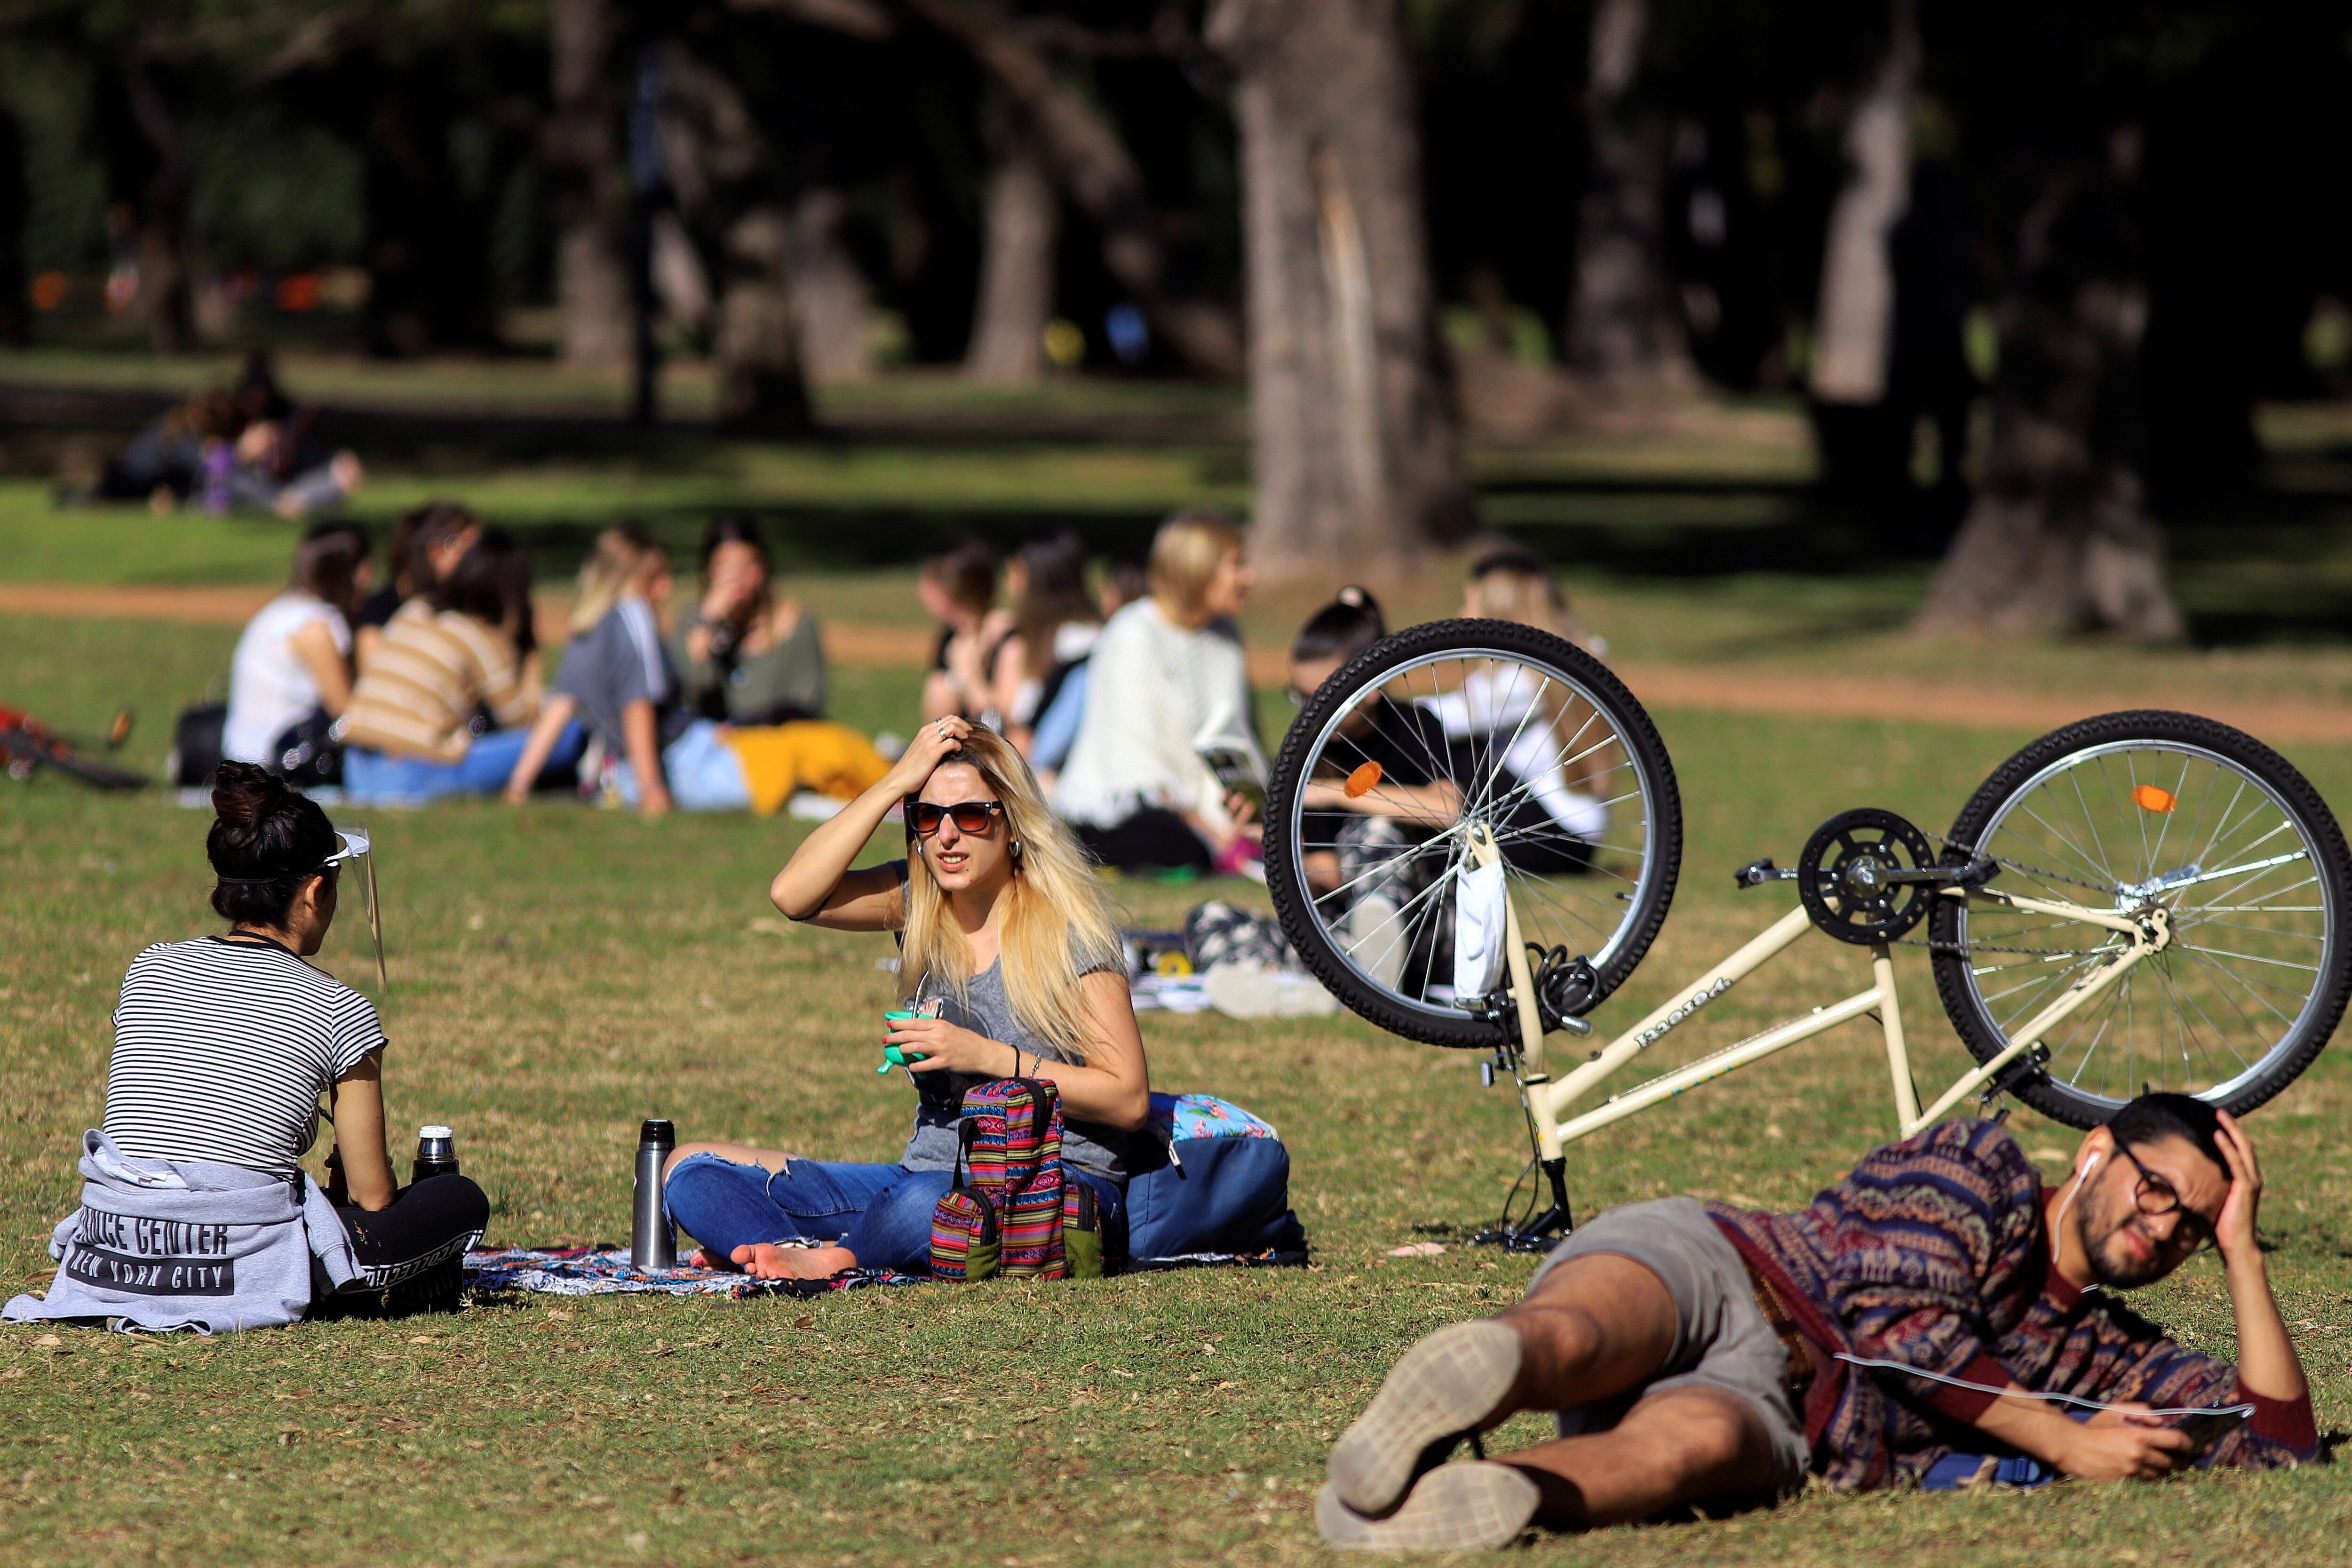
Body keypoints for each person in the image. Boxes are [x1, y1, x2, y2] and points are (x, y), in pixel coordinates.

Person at [1317, 1098, 2315, 1550]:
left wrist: (2244, 1250)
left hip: (1780, 1414)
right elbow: (1897, 1323)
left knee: (1690, 1450)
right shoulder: (1980, 1163)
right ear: (2097, 1151)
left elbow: (2273, 1445)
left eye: (2191, 1223)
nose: (2162, 1224)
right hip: (1728, 1264)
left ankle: (1484, 1496)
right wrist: (2061, 1439)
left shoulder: (2102, 1352)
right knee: (1572, 1338)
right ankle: (1475, 1371)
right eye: (2157, 1189)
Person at [661, 718, 1149, 1278]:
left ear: (1013, 825)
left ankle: (837, 1259)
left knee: (922, 1207)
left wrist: (986, 1058)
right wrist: (895, 783)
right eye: (927, 817)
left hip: (1044, 1186)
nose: (946, 836)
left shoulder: (1071, 933)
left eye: (970, 816)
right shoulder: (919, 903)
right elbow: (792, 895)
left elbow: (1128, 1098)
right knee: (689, 1170)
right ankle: (798, 1250)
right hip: (920, 1177)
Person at [16, 766, 490, 1326]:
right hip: (235, 1264)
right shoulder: (340, 1007)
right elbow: (371, 1195)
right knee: (458, 1199)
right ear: (315, 891)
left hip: (111, 1249)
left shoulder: (150, 967)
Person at [503, 526, 886, 817]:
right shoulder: (632, 617)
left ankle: (896, 784)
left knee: (810, 750)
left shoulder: (585, 628)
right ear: (628, 578)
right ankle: (908, 791)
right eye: (657, 578)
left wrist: (518, 787)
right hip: (683, 765)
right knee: (820, 747)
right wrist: (654, 790)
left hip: (637, 771)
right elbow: (638, 706)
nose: (667, 588)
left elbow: (558, 708)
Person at [1052, 512, 1261, 873]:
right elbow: (1134, 759)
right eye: (1236, 565)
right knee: (1171, 842)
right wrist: (1209, 830)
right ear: (1198, 568)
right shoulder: (1132, 633)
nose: (1248, 577)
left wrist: (1250, 806)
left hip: (1201, 812)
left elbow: (1233, 741)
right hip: (1125, 807)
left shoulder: (1227, 638)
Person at [1285, 588, 1460, 991]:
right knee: (1211, 919)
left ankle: (1363, 967)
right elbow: (1326, 869)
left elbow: (1450, 809)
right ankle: (1333, 978)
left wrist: (1337, 793)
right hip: (1343, 925)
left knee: (1377, 831)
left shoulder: (1416, 725)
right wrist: (1278, 852)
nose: (1311, 714)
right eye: (1301, 698)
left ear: (1370, 687)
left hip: (1426, 927)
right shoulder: (1305, 750)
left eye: (1323, 699)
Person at [338, 531, 573, 803]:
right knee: (567, 733)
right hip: (411, 776)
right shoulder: (479, 636)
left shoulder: (416, 609)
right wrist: (532, 656)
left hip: (356, 769)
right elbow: (520, 721)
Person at [223, 522, 371, 770]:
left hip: (242, 753)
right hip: (275, 759)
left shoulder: (282, 610)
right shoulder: (315, 626)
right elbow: (346, 713)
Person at [671, 516, 827, 726]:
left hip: (775, 747)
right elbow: (688, 691)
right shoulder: (692, 622)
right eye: (726, 567)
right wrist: (707, 622)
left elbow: (807, 707)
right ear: (709, 572)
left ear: (763, 569)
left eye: (747, 566)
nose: (737, 578)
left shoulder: (794, 625)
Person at [988, 531, 1100, 756]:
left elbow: (1025, 737)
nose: (1007, 581)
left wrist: (969, 676)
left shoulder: (1074, 647)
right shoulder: (1089, 635)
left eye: (1014, 570)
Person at [354, 501, 483, 670]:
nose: (480, 561)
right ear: (435, 551)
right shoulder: (380, 615)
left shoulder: (468, 604)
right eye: (468, 550)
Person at [917, 536, 1005, 726]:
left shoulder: (1005, 639)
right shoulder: (951, 639)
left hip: (997, 748)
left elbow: (1004, 728)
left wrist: (968, 678)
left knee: (940, 688)